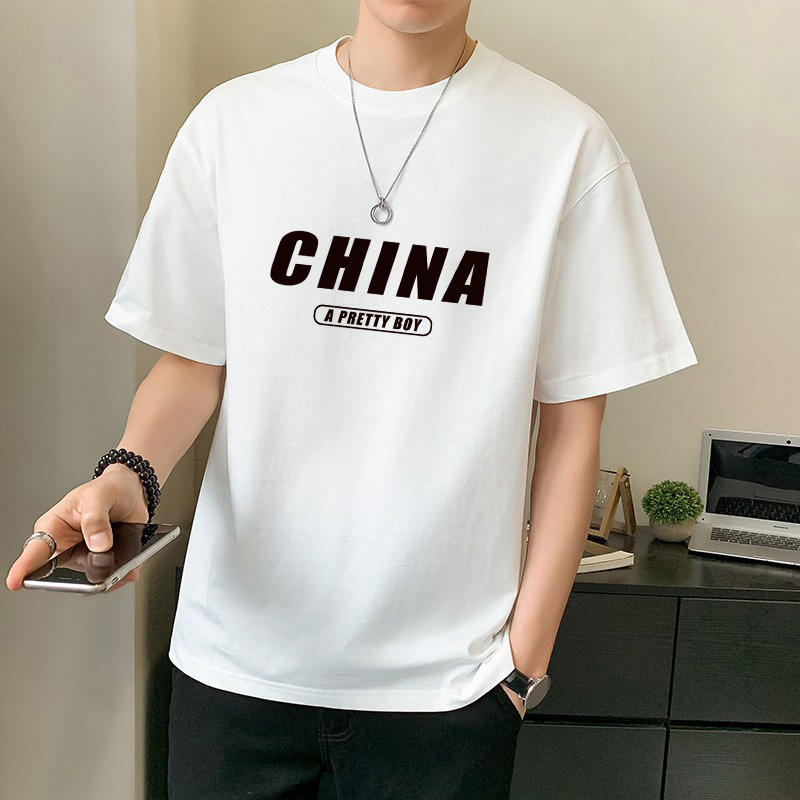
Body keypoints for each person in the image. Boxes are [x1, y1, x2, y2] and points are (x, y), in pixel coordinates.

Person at [6, 1, 699, 798]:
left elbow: (573, 421)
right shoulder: (235, 122)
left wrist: (522, 666)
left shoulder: (567, 145)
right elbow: (192, 364)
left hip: (448, 692)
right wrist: (127, 474)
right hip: (234, 669)